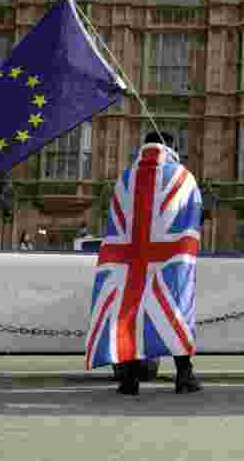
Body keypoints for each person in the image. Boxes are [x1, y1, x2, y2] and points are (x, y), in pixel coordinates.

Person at [85, 132, 203, 396]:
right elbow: (193, 217)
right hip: (170, 256)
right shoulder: (183, 177)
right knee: (174, 310)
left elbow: (115, 221)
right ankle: (184, 375)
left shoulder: (125, 178)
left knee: (127, 311)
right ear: (171, 147)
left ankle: (129, 379)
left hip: (126, 260)